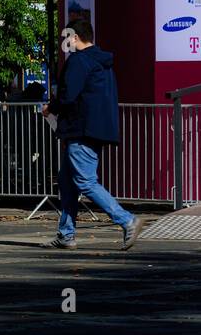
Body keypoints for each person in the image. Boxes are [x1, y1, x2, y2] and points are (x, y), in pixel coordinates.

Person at [42, 20, 140, 250]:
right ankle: (66, 234)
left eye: (67, 38)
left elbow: (68, 95)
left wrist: (50, 108)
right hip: (97, 129)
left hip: (80, 129)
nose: (65, 43)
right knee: (67, 181)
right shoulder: (103, 63)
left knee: (85, 181)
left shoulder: (78, 61)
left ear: (75, 37)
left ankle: (127, 220)